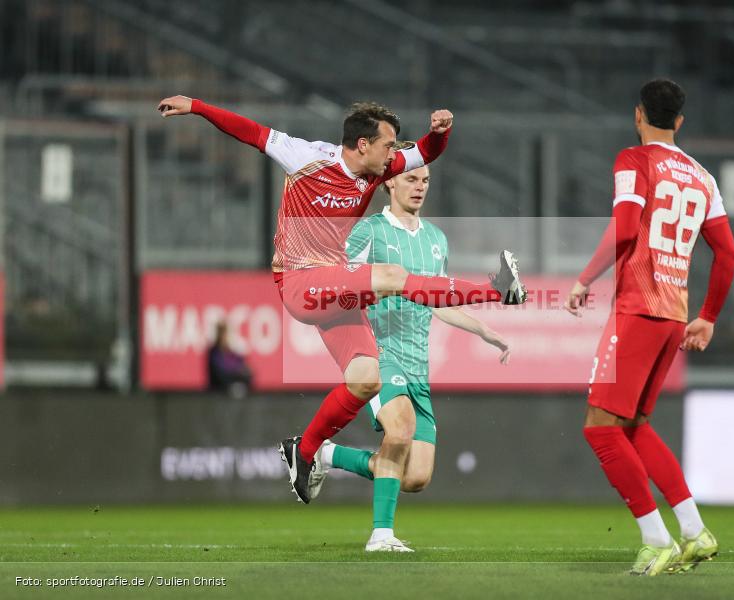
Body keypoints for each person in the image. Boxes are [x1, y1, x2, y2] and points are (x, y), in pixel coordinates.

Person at [157, 96, 527, 505]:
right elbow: (248, 130)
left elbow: (426, 152)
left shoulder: (379, 168)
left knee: (367, 377)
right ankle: (497, 290)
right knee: (392, 277)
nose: (395, 156)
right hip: (300, 281)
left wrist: (441, 133)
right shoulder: (306, 157)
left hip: (338, 289)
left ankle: (308, 451)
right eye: (389, 145)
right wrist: (195, 105)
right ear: (363, 145)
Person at [565, 79, 734, 576]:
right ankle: (694, 531)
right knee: (634, 427)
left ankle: (655, 538)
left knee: (600, 429)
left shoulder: (633, 160)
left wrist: (583, 279)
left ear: (638, 114)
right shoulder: (703, 177)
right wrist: (707, 316)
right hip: (673, 316)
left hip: (638, 309)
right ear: (679, 121)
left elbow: (624, 227)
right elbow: (727, 253)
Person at [308, 157, 510, 552]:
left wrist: (487, 331)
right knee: (399, 431)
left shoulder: (436, 239)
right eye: (411, 178)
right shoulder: (369, 231)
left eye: (426, 179)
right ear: (390, 184)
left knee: (415, 476)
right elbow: (338, 285)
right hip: (379, 352)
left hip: (419, 365)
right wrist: (374, 290)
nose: (420, 186)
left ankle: (325, 454)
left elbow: (439, 301)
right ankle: (381, 535)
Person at [207, 321, 253, 398]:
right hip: (219, 392)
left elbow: (245, 369)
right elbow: (219, 374)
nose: (224, 337)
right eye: (222, 333)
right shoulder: (214, 353)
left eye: (226, 333)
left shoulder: (233, 353)